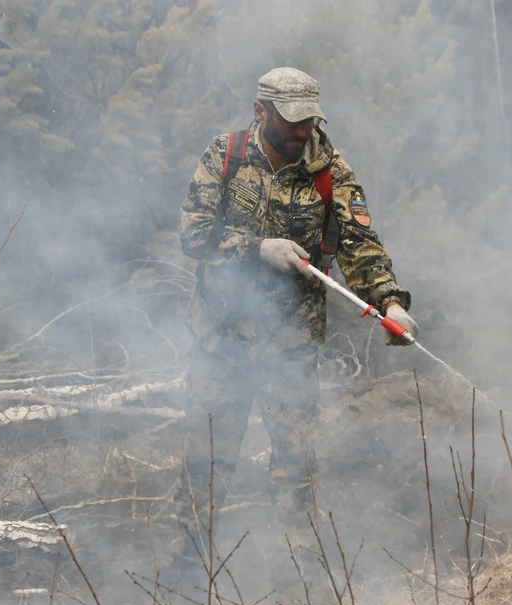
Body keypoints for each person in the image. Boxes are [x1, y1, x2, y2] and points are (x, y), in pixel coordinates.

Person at [174, 67, 418, 555]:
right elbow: (195, 234)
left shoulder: (331, 171)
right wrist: (258, 247)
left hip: (292, 343)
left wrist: (390, 302)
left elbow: (360, 245)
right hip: (219, 339)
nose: (301, 132)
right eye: (290, 122)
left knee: (296, 464)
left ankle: (300, 579)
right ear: (260, 111)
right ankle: (187, 571)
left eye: (308, 121)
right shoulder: (226, 155)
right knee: (207, 464)